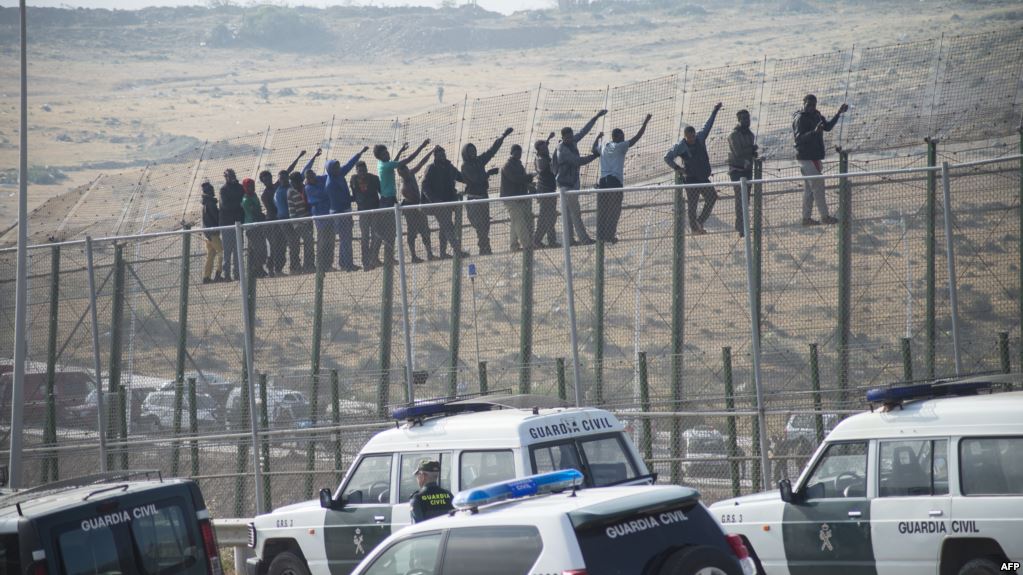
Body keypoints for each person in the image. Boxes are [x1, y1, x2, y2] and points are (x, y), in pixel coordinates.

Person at [591, 113, 652, 243]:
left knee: (603, 210)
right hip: (614, 182)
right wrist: (645, 123)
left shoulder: (604, 146)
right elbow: (636, 138)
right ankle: (609, 236)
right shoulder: (620, 146)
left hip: (602, 182)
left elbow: (593, 149)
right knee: (614, 210)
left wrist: (598, 137)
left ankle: (600, 236)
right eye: (622, 136)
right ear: (617, 137)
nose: (624, 138)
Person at [664, 102, 722, 235]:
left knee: (712, 197)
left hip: (702, 177)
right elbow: (667, 157)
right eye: (689, 137)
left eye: (693, 136)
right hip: (690, 179)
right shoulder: (681, 146)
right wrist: (678, 168)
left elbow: (708, 126)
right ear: (685, 137)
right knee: (693, 204)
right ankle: (695, 228)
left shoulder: (700, 138)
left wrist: (714, 111)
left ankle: (700, 221)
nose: (691, 139)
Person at [793, 94, 848, 226]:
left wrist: (838, 113)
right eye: (809, 104)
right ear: (804, 103)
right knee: (818, 187)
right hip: (807, 157)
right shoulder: (800, 118)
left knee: (809, 190)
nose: (812, 107)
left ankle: (806, 218)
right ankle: (824, 216)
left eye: (814, 104)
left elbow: (827, 127)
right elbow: (799, 138)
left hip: (814, 156)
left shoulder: (817, 115)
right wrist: (814, 132)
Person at [553, 110, 605, 246]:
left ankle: (570, 240)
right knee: (575, 213)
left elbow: (583, 132)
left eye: (571, 136)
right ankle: (584, 239)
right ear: (563, 138)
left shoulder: (571, 142)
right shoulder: (562, 150)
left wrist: (595, 117)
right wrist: (594, 156)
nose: (571, 139)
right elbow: (578, 161)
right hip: (566, 185)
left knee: (569, 214)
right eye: (568, 138)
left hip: (570, 183)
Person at [461, 128, 514, 255]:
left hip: (483, 196)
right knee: (479, 224)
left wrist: (503, 136)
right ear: (466, 153)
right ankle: (484, 247)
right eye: (470, 151)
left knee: (485, 223)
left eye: (474, 150)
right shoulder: (466, 166)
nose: (473, 153)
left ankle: (485, 247)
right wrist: (488, 173)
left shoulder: (479, 161)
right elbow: (476, 180)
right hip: (474, 198)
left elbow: (492, 151)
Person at [261, 151, 306, 276]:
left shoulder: (278, 187)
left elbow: (289, 169)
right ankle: (276, 269)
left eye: (269, 178)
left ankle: (290, 266)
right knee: (278, 246)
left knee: (290, 244)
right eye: (265, 180)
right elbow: (271, 209)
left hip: (286, 219)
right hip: (275, 221)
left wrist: (298, 156)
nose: (268, 181)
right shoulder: (267, 194)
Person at [421, 146, 469, 259]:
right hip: (438, 204)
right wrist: (434, 200)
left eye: (444, 154)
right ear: (435, 156)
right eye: (440, 154)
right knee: (448, 226)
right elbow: (425, 186)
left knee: (444, 228)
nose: (443, 156)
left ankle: (443, 253)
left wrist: (472, 179)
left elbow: (460, 177)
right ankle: (457, 251)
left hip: (448, 202)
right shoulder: (431, 168)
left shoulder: (449, 167)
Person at [398, 147, 436, 262]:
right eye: (402, 171)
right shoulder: (404, 184)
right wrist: (400, 151)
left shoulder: (411, 173)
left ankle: (429, 253)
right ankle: (414, 256)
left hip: (418, 206)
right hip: (410, 208)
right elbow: (394, 163)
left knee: (425, 230)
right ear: (400, 173)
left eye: (405, 169)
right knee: (412, 232)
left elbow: (422, 162)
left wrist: (430, 151)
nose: (405, 171)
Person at [500, 144, 537, 251]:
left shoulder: (518, 165)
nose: (519, 154)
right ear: (512, 152)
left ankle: (514, 246)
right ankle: (527, 245)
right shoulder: (507, 166)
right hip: (510, 199)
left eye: (520, 152)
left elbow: (522, 180)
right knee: (520, 221)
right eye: (516, 152)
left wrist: (530, 185)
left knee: (516, 221)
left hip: (519, 197)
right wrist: (529, 177)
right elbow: (516, 179)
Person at [728, 110, 758, 237]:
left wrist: (753, 153)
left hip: (747, 169)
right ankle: (741, 226)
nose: (747, 120)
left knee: (746, 199)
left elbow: (748, 152)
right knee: (740, 199)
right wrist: (751, 149)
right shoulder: (733, 135)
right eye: (744, 118)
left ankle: (744, 224)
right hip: (737, 170)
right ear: (739, 120)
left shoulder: (750, 135)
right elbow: (738, 152)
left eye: (748, 118)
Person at [350, 161, 384, 270]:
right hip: (363, 212)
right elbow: (355, 195)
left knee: (376, 236)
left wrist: (381, 208)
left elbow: (381, 192)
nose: (362, 172)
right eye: (360, 171)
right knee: (365, 237)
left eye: (364, 170)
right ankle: (365, 261)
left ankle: (374, 258)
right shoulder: (354, 180)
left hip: (374, 211)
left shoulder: (374, 179)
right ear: (356, 171)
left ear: (367, 169)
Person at [532, 132, 560, 248]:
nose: (546, 149)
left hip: (548, 191)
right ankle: (539, 240)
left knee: (550, 216)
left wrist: (548, 139)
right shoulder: (541, 161)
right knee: (546, 217)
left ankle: (547, 240)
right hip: (545, 192)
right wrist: (557, 149)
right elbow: (552, 162)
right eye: (544, 148)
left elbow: (544, 147)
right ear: (539, 150)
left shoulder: (541, 155)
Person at [218, 169, 245, 280]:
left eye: (233, 175)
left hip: (238, 223)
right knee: (228, 251)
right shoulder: (223, 190)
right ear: (226, 177)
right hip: (228, 224)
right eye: (230, 176)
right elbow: (225, 206)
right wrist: (239, 204)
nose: (232, 177)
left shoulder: (240, 188)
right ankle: (227, 274)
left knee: (238, 250)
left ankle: (237, 274)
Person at [287, 171, 315, 273]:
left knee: (309, 242)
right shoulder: (291, 192)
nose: (293, 183)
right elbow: (292, 210)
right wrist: (296, 223)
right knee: (306, 241)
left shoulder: (304, 189)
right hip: (298, 222)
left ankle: (308, 264)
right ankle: (298, 266)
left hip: (307, 220)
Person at [241, 177, 268, 277]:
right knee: (259, 249)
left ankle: (258, 269)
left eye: (252, 186)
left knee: (260, 249)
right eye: (249, 186)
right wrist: (263, 216)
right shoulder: (246, 199)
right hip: (251, 226)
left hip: (258, 225)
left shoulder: (254, 195)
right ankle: (256, 270)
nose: (251, 188)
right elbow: (255, 212)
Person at [200, 181, 223, 283]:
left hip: (207, 233)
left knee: (210, 255)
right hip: (213, 233)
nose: (213, 191)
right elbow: (216, 217)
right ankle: (219, 273)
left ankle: (206, 276)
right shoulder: (211, 204)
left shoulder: (205, 203)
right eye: (211, 190)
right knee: (222, 252)